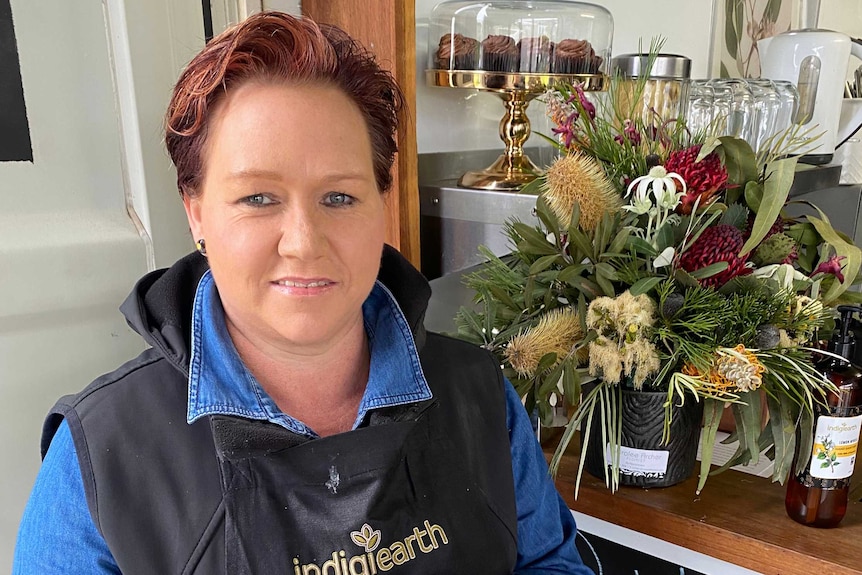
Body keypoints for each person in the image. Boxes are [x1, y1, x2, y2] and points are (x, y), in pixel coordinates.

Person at [13, 11, 593, 574]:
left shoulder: (479, 396)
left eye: (339, 197)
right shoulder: (100, 453)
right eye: (258, 198)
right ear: (196, 215)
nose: (303, 242)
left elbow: (548, 562)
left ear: (381, 205)